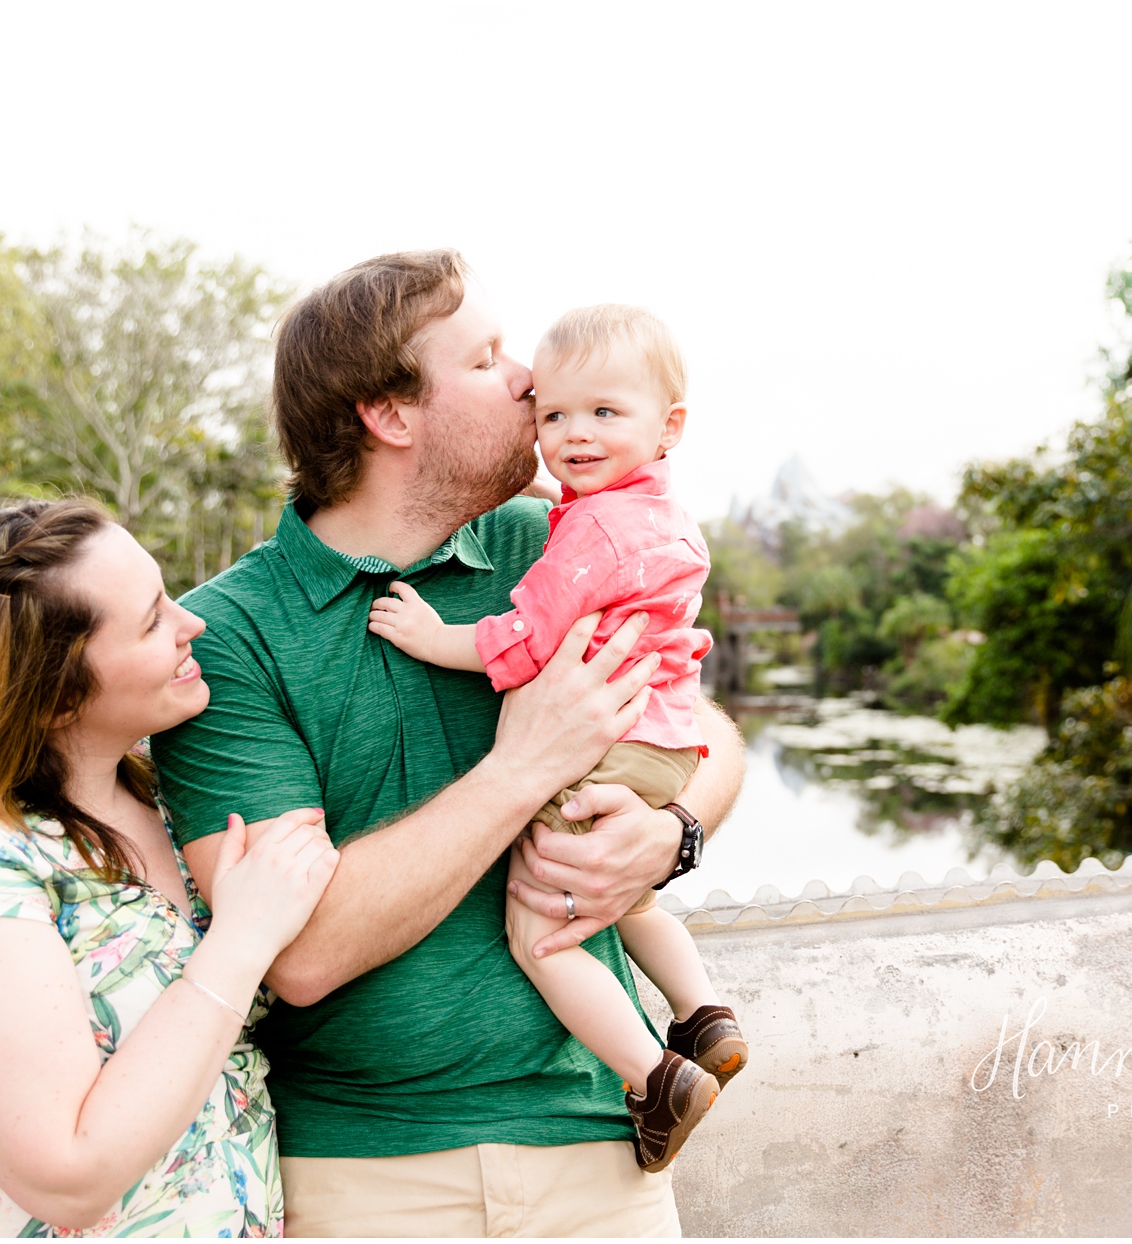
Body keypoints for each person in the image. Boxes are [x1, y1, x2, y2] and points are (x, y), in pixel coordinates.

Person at [151, 250, 746, 1237]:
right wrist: (520, 770)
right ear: (390, 412)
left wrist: (669, 831)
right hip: (363, 1177)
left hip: (604, 1156)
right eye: (487, 359)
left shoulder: (556, 539)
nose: (530, 380)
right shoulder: (230, 638)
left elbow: (702, 726)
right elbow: (297, 953)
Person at [0, 499, 339, 1237]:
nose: (193, 623)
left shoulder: (170, 807)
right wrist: (243, 939)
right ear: (53, 694)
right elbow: (64, 1178)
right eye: (152, 620)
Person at [367, 304, 747, 1174]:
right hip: (659, 742)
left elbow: (525, 638)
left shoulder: (594, 533)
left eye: (604, 414)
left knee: (546, 931)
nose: (573, 435)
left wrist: (433, 637)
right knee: (629, 893)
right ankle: (705, 1015)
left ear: (669, 426)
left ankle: (657, 1078)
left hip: (605, 746)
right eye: (554, 415)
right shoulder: (654, 513)